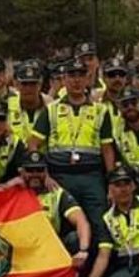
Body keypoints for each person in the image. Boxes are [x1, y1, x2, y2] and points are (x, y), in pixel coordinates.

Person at [33, 59, 108, 240]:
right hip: (60, 176)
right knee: (63, 226)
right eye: (71, 76)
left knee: (99, 223)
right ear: (64, 79)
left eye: (81, 75)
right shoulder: (51, 110)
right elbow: (33, 144)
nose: (76, 81)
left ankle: (98, 265)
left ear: (88, 79)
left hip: (91, 176)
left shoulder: (100, 110)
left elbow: (108, 148)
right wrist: (45, 174)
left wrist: (110, 180)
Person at [19, 150, 92, 266]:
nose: (35, 174)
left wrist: (83, 251)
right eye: (30, 170)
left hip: (51, 249)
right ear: (21, 172)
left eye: (39, 170)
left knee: (74, 238)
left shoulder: (56, 193)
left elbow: (81, 221)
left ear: (46, 172)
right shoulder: (13, 193)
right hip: (21, 250)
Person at [101, 90, 139, 207]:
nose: (130, 107)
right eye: (125, 104)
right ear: (118, 107)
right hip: (130, 182)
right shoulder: (115, 130)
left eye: (133, 102)